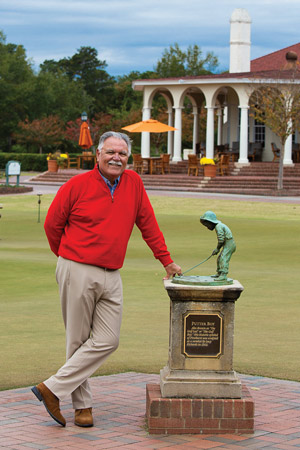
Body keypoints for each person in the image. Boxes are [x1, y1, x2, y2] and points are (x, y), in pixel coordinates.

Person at [32, 131, 181, 428]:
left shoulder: (134, 183)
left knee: (107, 340)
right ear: (97, 155)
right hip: (77, 267)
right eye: (111, 152)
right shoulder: (76, 185)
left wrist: (166, 260)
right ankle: (82, 406)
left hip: (112, 272)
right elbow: (52, 225)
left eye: (122, 154)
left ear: (128, 158)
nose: (117, 157)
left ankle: (51, 388)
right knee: (77, 339)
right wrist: (67, 258)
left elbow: (148, 223)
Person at [200, 211, 236, 281]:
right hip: (228, 244)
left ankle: (223, 274)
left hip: (229, 244)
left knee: (223, 258)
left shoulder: (218, 226)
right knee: (219, 258)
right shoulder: (219, 225)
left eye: (207, 225)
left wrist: (217, 249)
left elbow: (221, 240)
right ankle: (219, 273)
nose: (207, 227)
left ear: (211, 222)